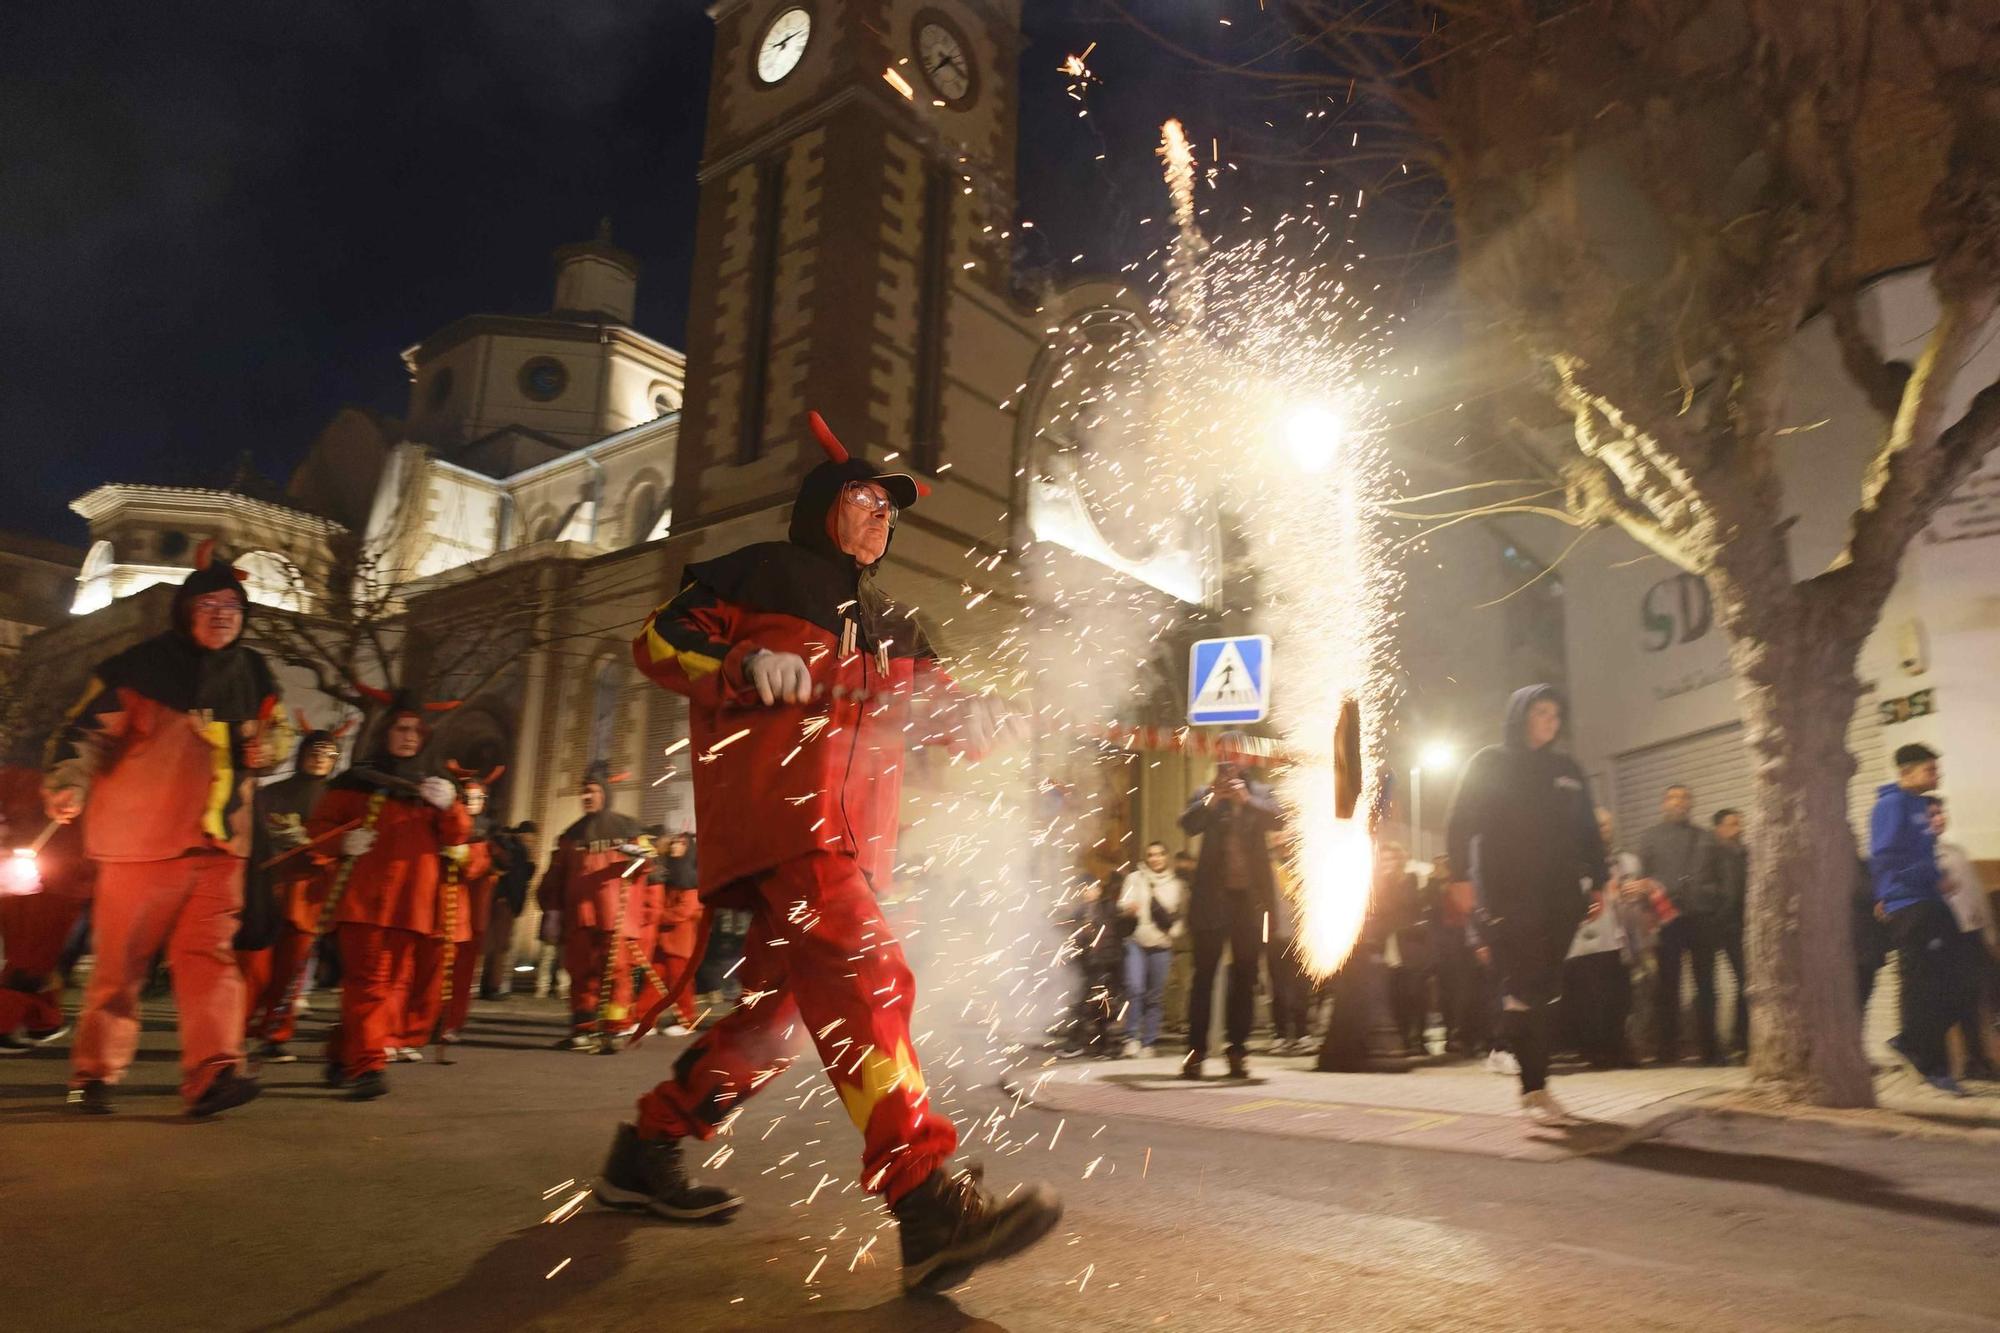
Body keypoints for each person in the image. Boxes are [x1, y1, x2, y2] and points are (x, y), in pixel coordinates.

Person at [595, 411, 1060, 1294]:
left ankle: (646, 1150)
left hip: (852, 843)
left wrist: (982, 717)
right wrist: (740, 661)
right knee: (868, 976)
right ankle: (924, 1199)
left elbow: (940, 715)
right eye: (865, 500)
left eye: (892, 510)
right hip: (785, 827)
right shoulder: (758, 572)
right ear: (821, 508)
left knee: (772, 1025)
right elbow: (656, 642)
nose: (883, 518)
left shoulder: (899, 623)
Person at [44, 546, 287, 1117]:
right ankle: (94, 1072)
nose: (223, 613)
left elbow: (278, 737)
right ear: (185, 610)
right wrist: (69, 783)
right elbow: (83, 734)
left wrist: (271, 749)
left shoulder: (254, 672)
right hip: (142, 844)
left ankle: (213, 1073)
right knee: (120, 968)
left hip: (222, 845)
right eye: (209, 602)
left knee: (210, 961)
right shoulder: (138, 668)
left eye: (232, 604)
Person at [1444, 684, 1606, 1126]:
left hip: (1562, 894)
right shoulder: (1490, 763)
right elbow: (1460, 823)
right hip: (1510, 892)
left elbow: (1589, 829)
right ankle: (1534, 1088)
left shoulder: (1567, 768)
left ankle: (1527, 1073)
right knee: (1526, 983)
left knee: (1542, 990)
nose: (1549, 722)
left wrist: (1599, 882)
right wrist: (1458, 877)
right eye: (1540, 712)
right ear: (1520, 716)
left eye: (1555, 715)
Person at [310, 695, 470, 1099]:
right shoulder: (357, 780)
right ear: (385, 733)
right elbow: (318, 827)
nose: (409, 737)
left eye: (416, 730)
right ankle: (368, 1066)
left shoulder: (432, 786)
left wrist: (452, 806)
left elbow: (456, 837)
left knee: (384, 988)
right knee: (371, 985)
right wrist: (343, 840)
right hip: (366, 900)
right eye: (401, 728)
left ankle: (342, 1053)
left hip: (413, 906)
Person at [1178, 745, 1283, 1080]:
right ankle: (1195, 1052)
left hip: (1249, 903)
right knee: (1203, 977)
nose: (1228, 766)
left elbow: (1280, 817)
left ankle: (1237, 1050)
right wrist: (1212, 799)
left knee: (1245, 976)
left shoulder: (1261, 794)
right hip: (1212, 900)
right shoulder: (1204, 794)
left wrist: (1245, 801)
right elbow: (1188, 825)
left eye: (1234, 759)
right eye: (1223, 760)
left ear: (1245, 762)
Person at [239, 727, 340, 1063]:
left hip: (310, 894)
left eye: (328, 754)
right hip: (268, 891)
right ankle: (233, 1031)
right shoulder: (272, 792)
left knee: (291, 972)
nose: (320, 759)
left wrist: (318, 849)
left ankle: (275, 1034)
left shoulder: (336, 799)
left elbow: (342, 842)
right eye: (315, 752)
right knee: (255, 969)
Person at [538, 767, 656, 1052]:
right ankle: (584, 1027)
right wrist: (551, 910)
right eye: (584, 791)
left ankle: (614, 1029)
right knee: (580, 973)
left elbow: (648, 865)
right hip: (579, 915)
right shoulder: (571, 835)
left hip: (613, 915)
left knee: (616, 973)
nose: (587, 796)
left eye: (593, 791)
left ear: (606, 794)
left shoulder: (627, 829)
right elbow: (556, 876)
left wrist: (641, 857)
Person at [1869, 743, 1962, 1095]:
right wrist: (1888, 895)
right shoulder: (1891, 805)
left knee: (1942, 985)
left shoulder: (1918, 806)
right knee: (1923, 986)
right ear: (1906, 771)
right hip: (1909, 905)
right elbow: (1884, 857)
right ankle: (1929, 1063)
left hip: (1928, 901)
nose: (1936, 775)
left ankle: (1911, 1042)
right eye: (1930, 770)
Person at [0, 766, 94, 1053]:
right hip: (58, 860)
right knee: (35, 950)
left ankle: (43, 1020)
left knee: (33, 950)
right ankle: (8, 1022)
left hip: (31, 851)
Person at [1633, 784, 1723, 1064]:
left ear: (1691, 804)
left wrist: (1711, 902)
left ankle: (1710, 1050)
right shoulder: (1650, 838)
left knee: (1706, 985)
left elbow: (1720, 878)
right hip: (1666, 920)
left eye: (1684, 798)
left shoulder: (1706, 837)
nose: (1679, 802)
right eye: (1673, 797)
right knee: (1667, 986)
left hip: (1701, 919)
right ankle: (1666, 1050)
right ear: (1664, 804)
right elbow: (1641, 881)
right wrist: (1646, 917)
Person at [1561, 808, 1636, 1069]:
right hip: (1586, 937)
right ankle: (1597, 1051)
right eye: (1599, 825)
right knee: (1591, 998)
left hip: (1617, 935)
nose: (1604, 830)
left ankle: (1617, 1046)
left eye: (1607, 825)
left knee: (1619, 996)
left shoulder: (1620, 860)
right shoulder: (1573, 859)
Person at [1930, 797, 1995, 1080]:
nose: (1939, 818)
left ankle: (1978, 1060)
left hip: (1972, 934)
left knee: (1974, 1000)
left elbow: (1976, 896)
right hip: (1946, 937)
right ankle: (1946, 1064)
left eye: (1941, 813)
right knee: (1950, 1001)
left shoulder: (1955, 851)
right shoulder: (1923, 858)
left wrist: (1989, 932)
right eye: (1932, 815)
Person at [437, 773, 501, 1043]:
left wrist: (471, 858)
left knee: (462, 973)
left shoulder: (491, 832)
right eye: (467, 797)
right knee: (438, 969)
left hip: (476, 910)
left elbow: (490, 865)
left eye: (478, 797)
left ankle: (452, 1021)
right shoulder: (445, 824)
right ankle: (431, 1019)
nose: (473, 802)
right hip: (447, 906)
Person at [1116, 841, 1183, 1057]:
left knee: (1155, 996)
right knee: (1135, 988)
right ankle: (1131, 1037)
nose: (1155, 858)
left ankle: (1149, 1042)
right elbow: (1122, 904)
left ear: (1166, 857)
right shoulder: (1135, 879)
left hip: (1161, 945)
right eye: (1151, 855)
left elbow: (1179, 916)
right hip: (1136, 941)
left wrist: (1172, 934)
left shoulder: (1176, 884)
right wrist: (1128, 908)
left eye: (1160, 854)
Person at [1706, 808, 1751, 1058]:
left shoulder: (1745, 853)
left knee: (1747, 981)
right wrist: (1722, 906)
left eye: (1739, 823)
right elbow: (1706, 885)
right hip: (1719, 924)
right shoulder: (1709, 853)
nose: (1739, 828)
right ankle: (1724, 1043)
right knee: (1710, 984)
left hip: (1741, 925)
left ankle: (1741, 1041)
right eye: (1733, 824)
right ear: (1719, 829)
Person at [648, 829, 702, 1036]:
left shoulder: (691, 880)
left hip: (681, 939)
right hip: (664, 938)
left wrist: (658, 916)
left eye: (680, 844)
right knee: (653, 979)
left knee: (680, 981)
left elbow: (685, 911)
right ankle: (646, 1018)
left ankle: (685, 1019)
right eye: (674, 843)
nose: (674, 847)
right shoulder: (668, 873)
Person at [483, 820, 536, 999]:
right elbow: (516, 877)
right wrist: (514, 902)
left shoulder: (511, 846)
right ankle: (493, 986)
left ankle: (488, 985)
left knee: (494, 944)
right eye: (531, 837)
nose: (532, 842)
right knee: (500, 945)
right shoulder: (518, 849)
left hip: (499, 900)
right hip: (505, 902)